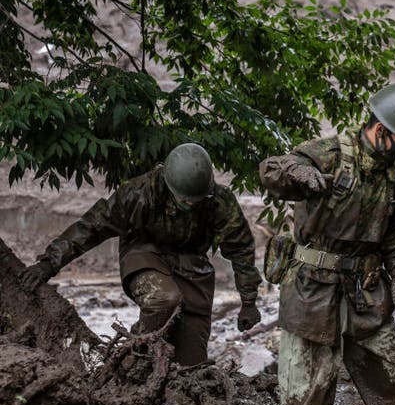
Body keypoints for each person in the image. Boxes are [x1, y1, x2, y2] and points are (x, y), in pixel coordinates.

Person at [259, 82, 395, 405]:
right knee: (307, 389)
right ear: (381, 130)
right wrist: (299, 174)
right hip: (312, 284)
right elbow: (272, 169)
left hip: (364, 287)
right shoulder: (331, 154)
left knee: (390, 369)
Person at [20, 143, 262, 365]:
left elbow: (241, 248)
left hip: (192, 265)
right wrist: (49, 263)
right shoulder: (138, 194)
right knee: (163, 298)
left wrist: (249, 302)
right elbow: (91, 227)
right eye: (185, 200)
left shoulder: (217, 200)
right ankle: (133, 360)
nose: (191, 205)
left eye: (196, 200)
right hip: (144, 254)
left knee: (192, 361)